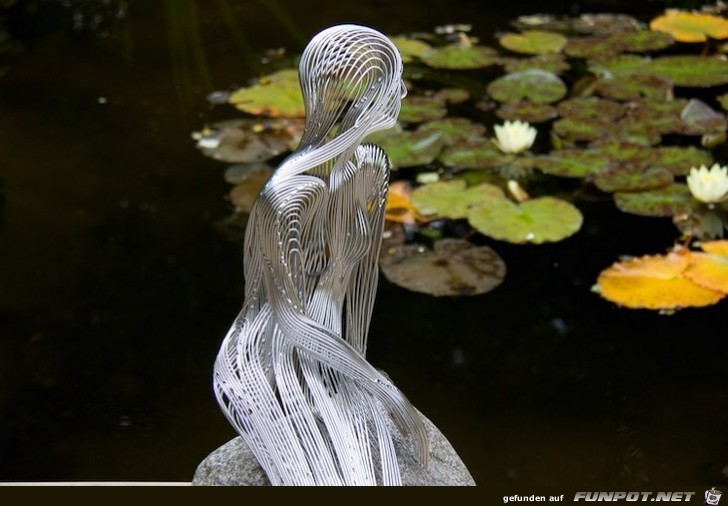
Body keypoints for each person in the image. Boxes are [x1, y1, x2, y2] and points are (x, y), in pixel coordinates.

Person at [213, 24, 427, 486]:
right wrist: (381, 389)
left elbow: (354, 288)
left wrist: (355, 371)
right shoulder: (289, 194)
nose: (404, 91)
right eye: (394, 81)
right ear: (365, 96)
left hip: (320, 344)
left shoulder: (367, 166)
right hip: (264, 357)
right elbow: (288, 319)